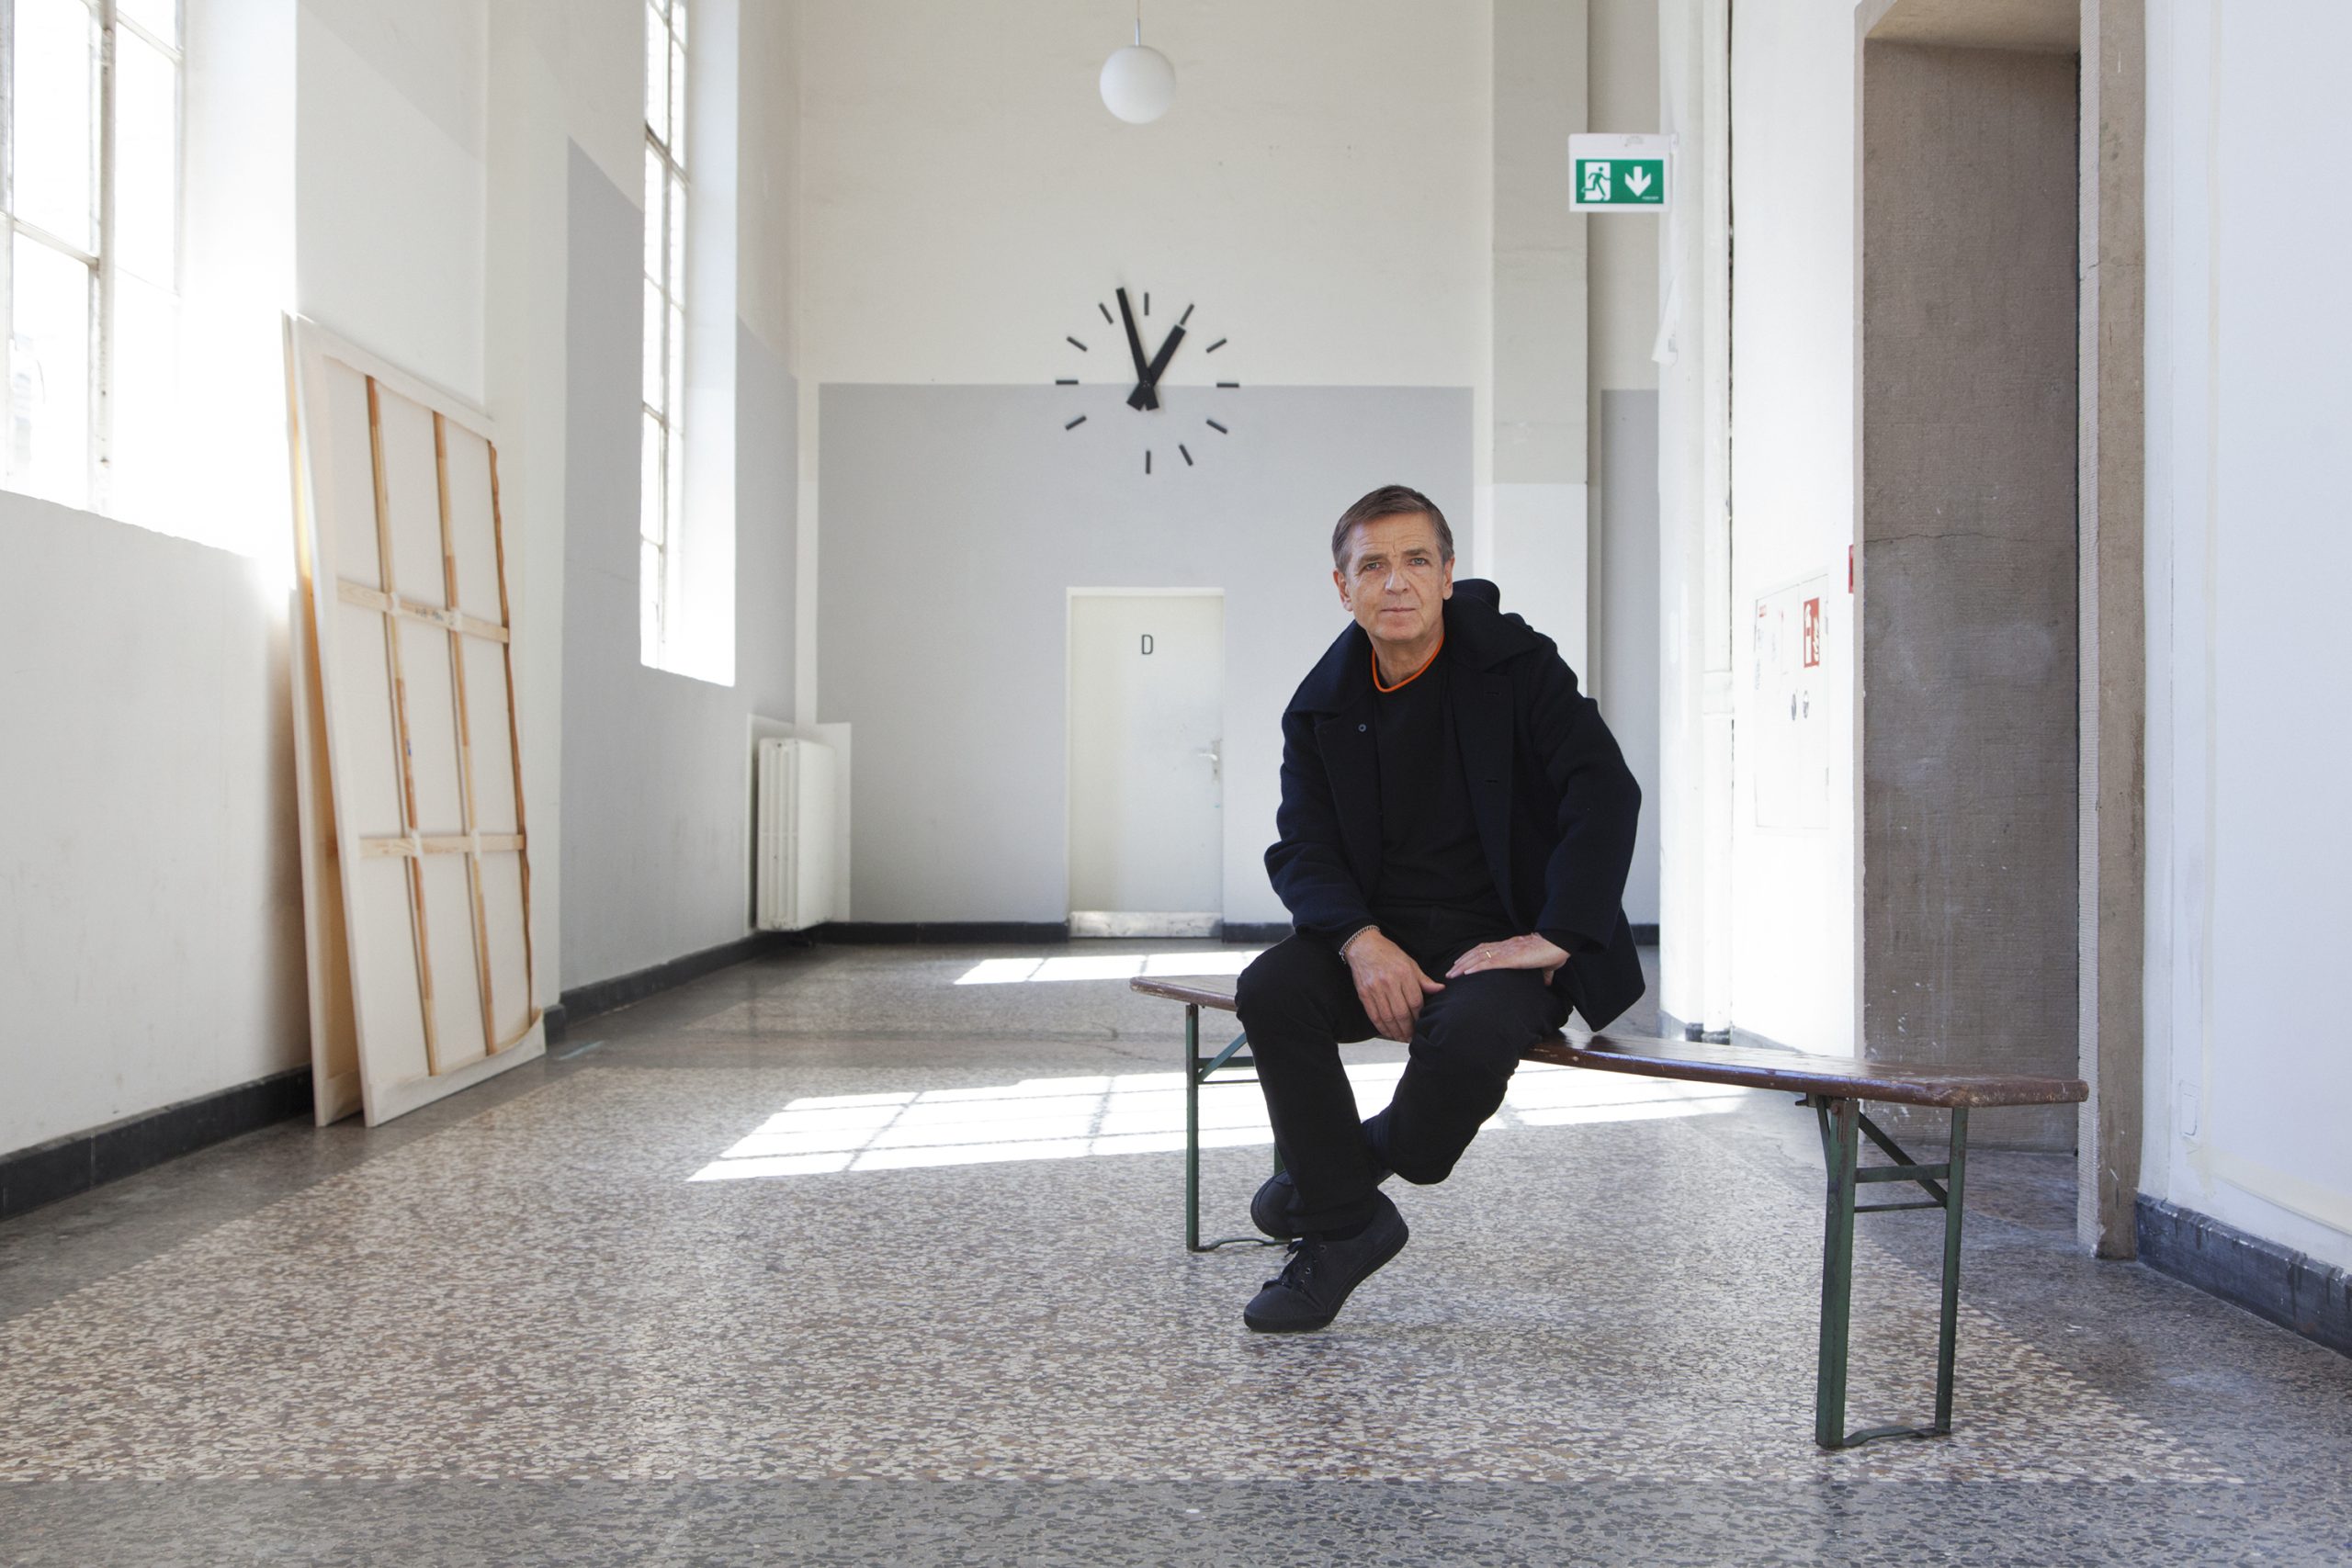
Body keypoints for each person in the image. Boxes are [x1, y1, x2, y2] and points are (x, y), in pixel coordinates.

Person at [1234, 483, 1644, 1333]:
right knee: (1271, 988)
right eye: (1372, 565)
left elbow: (1604, 789)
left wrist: (1557, 934)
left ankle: (1336, 1174)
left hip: (1501, 940)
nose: (1397, 582)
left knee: (1446, 1096)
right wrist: (1359, 940)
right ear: (1342, 587)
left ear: (1449, 574)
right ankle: (1345, 1225)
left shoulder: (1518, 666)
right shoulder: (1319, 706)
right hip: (1385, 936)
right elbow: (1301, 845)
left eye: (1417, 560)